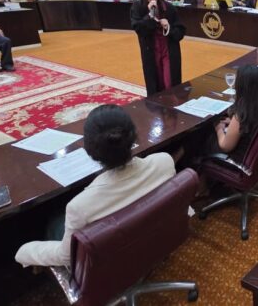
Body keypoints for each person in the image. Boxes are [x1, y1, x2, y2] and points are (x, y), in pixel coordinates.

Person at [14, 104, 177, 267]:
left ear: (88, 150)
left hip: (114, 267)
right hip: (154, 242)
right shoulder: (165, 161)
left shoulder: (79, 207)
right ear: (134, 136)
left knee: (55, 221)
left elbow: (66, 257)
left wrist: (25, 251)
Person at [208, 65, 258, 161]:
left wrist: (219, 129)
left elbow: (225, 146)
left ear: (240, 86)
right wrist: (233, 123)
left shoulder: (242, 113)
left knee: (203, 135)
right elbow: (252, 123)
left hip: (239, 159)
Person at [130, 0, 186, 95]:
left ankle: (172, 105)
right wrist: (150, 15)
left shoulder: (169, 8)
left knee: (170, 82)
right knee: (155, 84)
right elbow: (139, 29)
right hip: (151, 52)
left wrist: (168, 27)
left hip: (168, 51)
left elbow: (180, 31)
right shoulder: (137, 8)